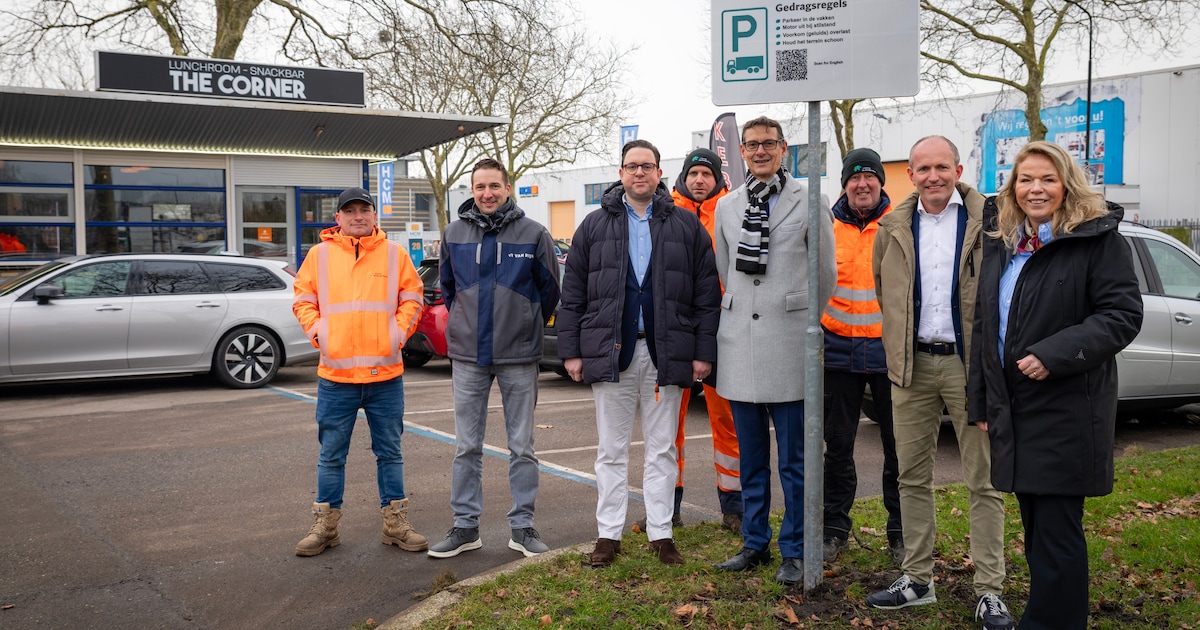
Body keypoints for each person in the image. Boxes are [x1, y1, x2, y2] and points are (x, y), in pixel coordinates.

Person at [968, 141, 1142, 629]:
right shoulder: (1005, 241)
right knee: (1037, 529)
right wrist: (980, 401)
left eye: (1047, 179)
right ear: (1012, 187)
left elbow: (1122, 316)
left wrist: (1053, 354)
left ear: (1067, 184)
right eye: (1025, 179)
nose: (1035, 189)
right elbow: (986, 324)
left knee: (1057, 533)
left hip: (1067, 409)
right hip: (1014, 409)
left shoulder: (1097, 241)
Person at [867, 136, 1013, 630]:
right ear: (910, 173)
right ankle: (917, 580)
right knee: (910, 474)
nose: (933, 176)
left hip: (970, 367)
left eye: (941, 167)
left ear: (958, 168)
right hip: (911, 367)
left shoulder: (989, 219)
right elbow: (885, 292)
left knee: (985, 479)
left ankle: (989, 590)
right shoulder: (892, 225)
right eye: (923, 168)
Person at [557, 139, 721, 567]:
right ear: (621, 173)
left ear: (660, 173)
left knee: (662, 447)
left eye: (647, 166)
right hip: (612, 354)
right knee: (610, 450)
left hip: (667, 353)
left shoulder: (687, 226)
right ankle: (608, 535)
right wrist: (571, 352)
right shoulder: (593, 226)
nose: (639, 173)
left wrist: (703, 353)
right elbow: (572, 295)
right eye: (632, 166)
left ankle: (661, 532)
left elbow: (706, 298)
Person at [711, 116, 835, 586]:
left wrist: (798, 316)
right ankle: (754, 542)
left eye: (769, 144)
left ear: (784, 149)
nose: (760, 151)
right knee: (751, 457)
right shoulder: (727, 206)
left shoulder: (811, 200)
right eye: (751, 145)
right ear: (741, 152)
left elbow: (824, 275)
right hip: (739, 344)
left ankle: (796, 548)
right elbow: (728, 271)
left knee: (795, 460)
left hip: (787, 343)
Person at [429, 158, 561, 559]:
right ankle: (466, 527)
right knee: (466, 447)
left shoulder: (534, 233)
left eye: (494, 186)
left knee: (522, 447)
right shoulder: (453, 234)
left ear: (508, 188)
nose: (487, 193)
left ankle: (522, 528)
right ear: (472, 190)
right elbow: (449, 289)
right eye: (479, 186)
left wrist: (522, 322)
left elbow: (550, 291)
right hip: (469, 357)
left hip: (519, 357)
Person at [292, 186, 428, 557]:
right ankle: (326, 525)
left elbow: (413, 297)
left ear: (373, 215)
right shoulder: (319, 256)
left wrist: (397, 334)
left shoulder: (395, 254)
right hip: (336, 378)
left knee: (390, 452)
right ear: (337, 218)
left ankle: (395, 523)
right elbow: (303, 300)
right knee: (331, 455)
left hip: (385, 375)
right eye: (349, 211)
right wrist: (320, 333)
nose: (357, 216)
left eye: (363, 210)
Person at [631, 148, 744, 535]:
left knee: (726, 422)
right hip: (675, 336)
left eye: (706, 174)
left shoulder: (732, 212)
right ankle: (668, 507)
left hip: (722, 333)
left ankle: (734, 507)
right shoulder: (663, 213)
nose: (699, 180)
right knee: (668, 429)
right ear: (682, 177)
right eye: (693, 173)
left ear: (717, 180)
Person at [820, 148, 903, 565]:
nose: (862, 184)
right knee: (837, 448)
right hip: (836, 355)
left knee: (898, 448)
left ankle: (901, 533)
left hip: (890, 356)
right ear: (844, 184)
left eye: (870, 177)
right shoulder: (826, 226)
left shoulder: (900, 224)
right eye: (854, 178)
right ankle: (834, 530)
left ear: (880, 183)